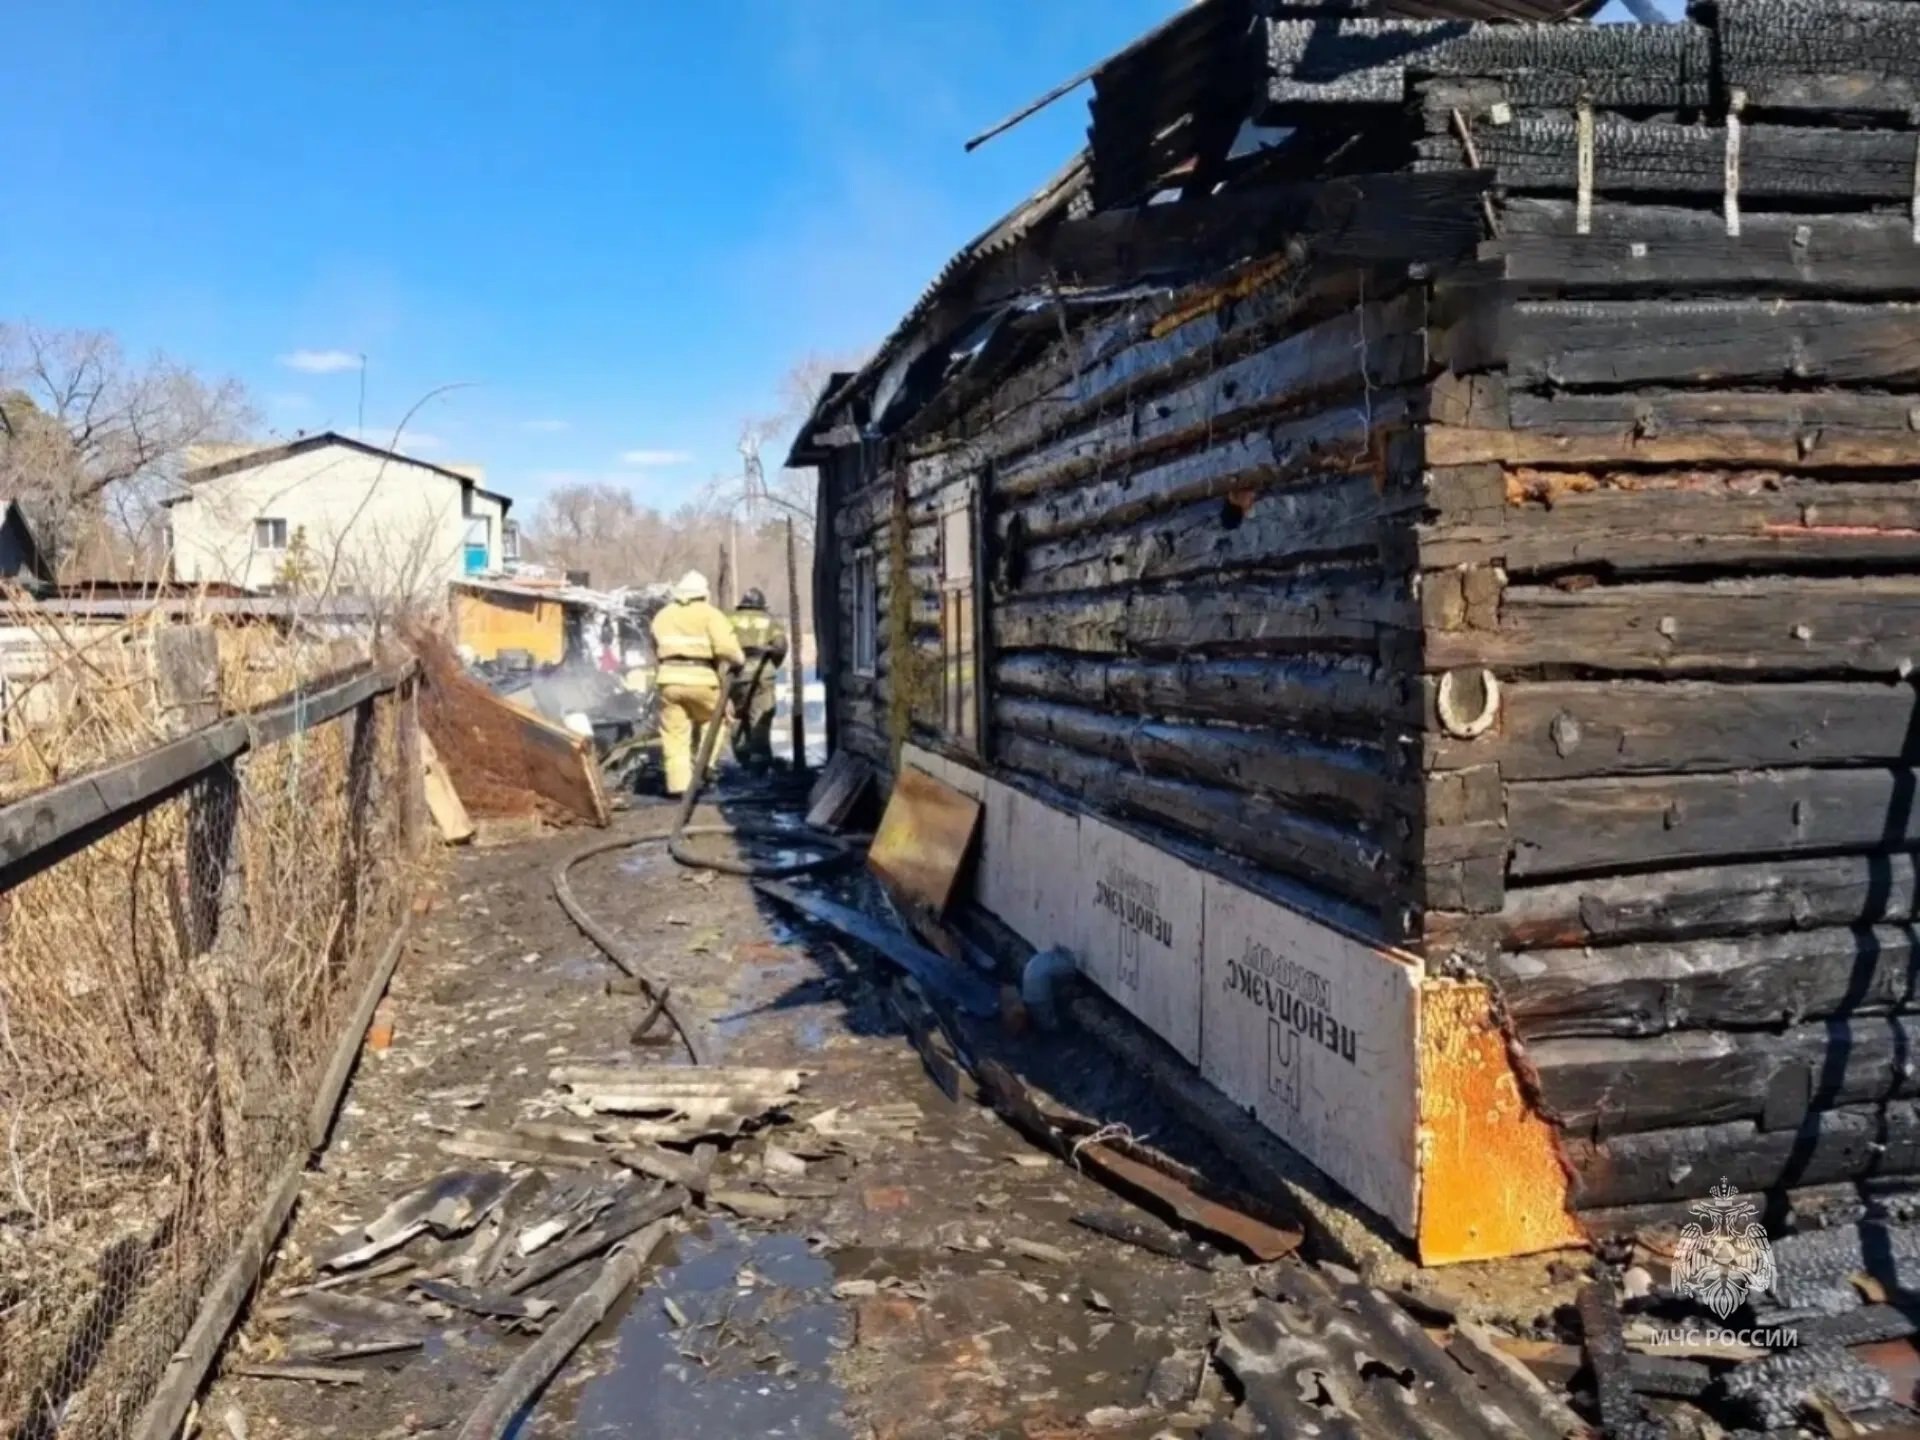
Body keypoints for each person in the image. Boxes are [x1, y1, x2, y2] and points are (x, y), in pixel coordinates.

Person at [648, 570, 744, 797]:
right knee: (716, 718)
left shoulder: (662, 615)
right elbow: (726, 648)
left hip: (668, 681)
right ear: (704, 593)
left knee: (674, 734)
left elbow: (654, 648)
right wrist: (738, 660)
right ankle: (704, 768)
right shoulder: (710, 614)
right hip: (702, 679)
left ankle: (678, 785)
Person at [727, 588, 789, 771]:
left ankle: (742, 759)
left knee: (738, 716)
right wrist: (771, 666)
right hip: (762, 674)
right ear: (762, 605)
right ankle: (760, 764)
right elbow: (780, 647)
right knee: (760, 717)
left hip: (735, 675)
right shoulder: (770, 621)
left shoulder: (729, 619)